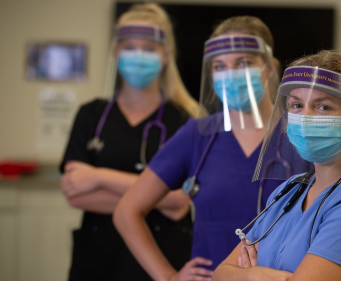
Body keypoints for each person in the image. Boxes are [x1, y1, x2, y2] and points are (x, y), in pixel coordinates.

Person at [113, 16, 286, 281]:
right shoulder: (198, 136)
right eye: (220, 65)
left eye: (244, 63)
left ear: (270, 67)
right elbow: (127, 212)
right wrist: (169, 277)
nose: (231, 74)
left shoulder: (299, 135)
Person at [213, 50, 341, 281]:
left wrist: (250, 274)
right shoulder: (291, 189)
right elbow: (220, 274)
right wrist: (261, 277)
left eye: (323, 107)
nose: (306, 117)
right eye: (296, 105)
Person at [60, 4, 199, 280]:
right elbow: (76, 193)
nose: (139, 56)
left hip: (163, 259)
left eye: (149, 48)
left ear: (166, 54)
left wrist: (98, 176)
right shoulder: (92, 115)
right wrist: (157, 199)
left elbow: (181, 200)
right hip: (97, 259)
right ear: (116, 51)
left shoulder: (186, 120)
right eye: (130, 47)